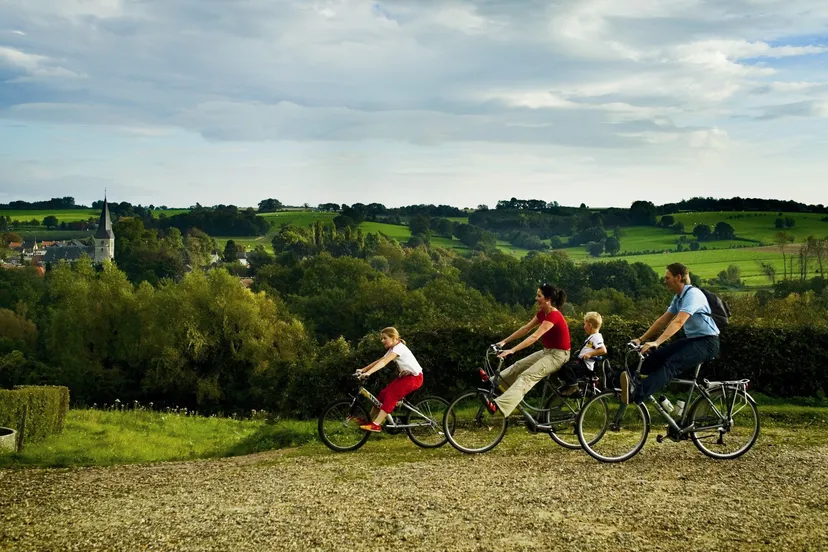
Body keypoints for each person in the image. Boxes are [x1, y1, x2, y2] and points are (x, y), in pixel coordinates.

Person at [620, 262, 720, 405]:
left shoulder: (693, 295)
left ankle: (637, 394)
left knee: (670, 365)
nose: (664, 281)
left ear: (678, 277)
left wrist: (656, 342)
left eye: (667, 278)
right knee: (656, 356)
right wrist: (641, 339)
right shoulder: (679, 297)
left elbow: (678, 322)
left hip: (708, 342)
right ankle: (616, 379)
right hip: (694, 340)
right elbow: (663, 321)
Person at [488, 283, 571, 428]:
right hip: (548, 351)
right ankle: (492, 383)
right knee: (518, 366)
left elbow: (534, 337)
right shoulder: (542, 313)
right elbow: (525, 329)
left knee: (526, 376)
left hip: (559, 355)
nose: (536, 298)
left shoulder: (554, 315)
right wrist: (503, 342)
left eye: (539, 295)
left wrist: (512, 350)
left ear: (548, 299)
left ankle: (499, 406)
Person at [354, 327, 423, 433]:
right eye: (381, 338)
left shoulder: (399, 348)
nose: (382, 341)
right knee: (382, 395)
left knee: (391, 395)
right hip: (405, 377)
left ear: (394, 338)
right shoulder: (393, 348)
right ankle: (369, 420)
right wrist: (363, 370)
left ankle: (376, 424)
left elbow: (384, 363)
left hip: (415, 378)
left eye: (384, 338)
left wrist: (368, 373)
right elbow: (380, 360)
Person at [557, 311, 607, 396]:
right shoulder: (592, 337)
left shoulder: (596, 337)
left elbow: (603, 350)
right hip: (582, 363)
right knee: (564, 366)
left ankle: (573, 386)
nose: (584, 327)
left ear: (589, 325)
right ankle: (569, 385)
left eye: (585, 324)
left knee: (567, 367)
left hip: (585, 365)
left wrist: (590, 354)